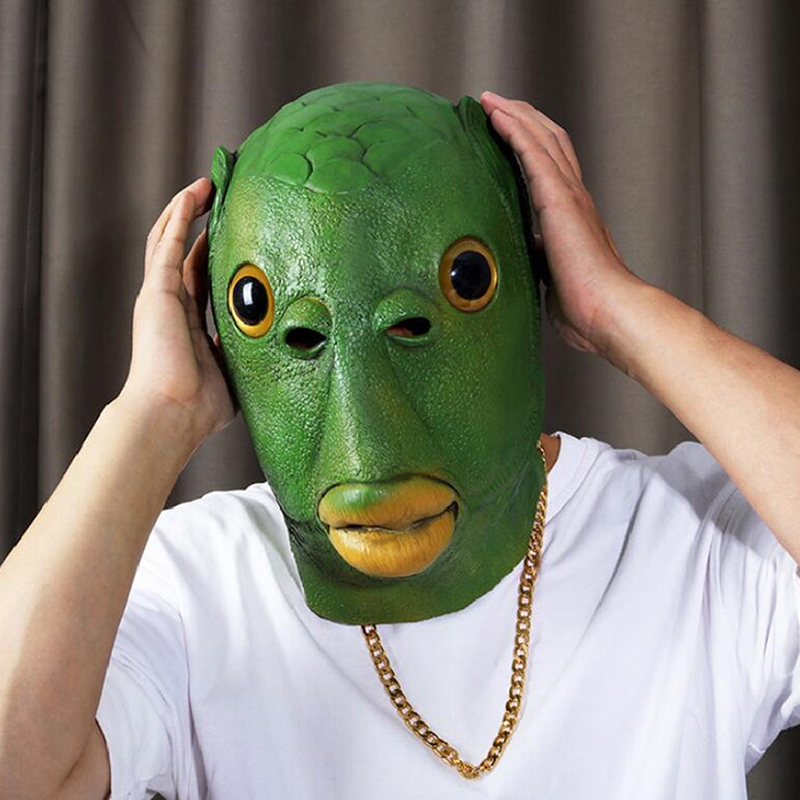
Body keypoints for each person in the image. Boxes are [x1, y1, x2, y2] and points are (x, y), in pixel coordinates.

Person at [0, 88, 798, 800]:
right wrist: (152, 414)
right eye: (271, 316)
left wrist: (618, 308)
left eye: (461, 285)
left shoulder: (693, 544)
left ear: (536, 278)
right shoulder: (197, 585)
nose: (364, 438)